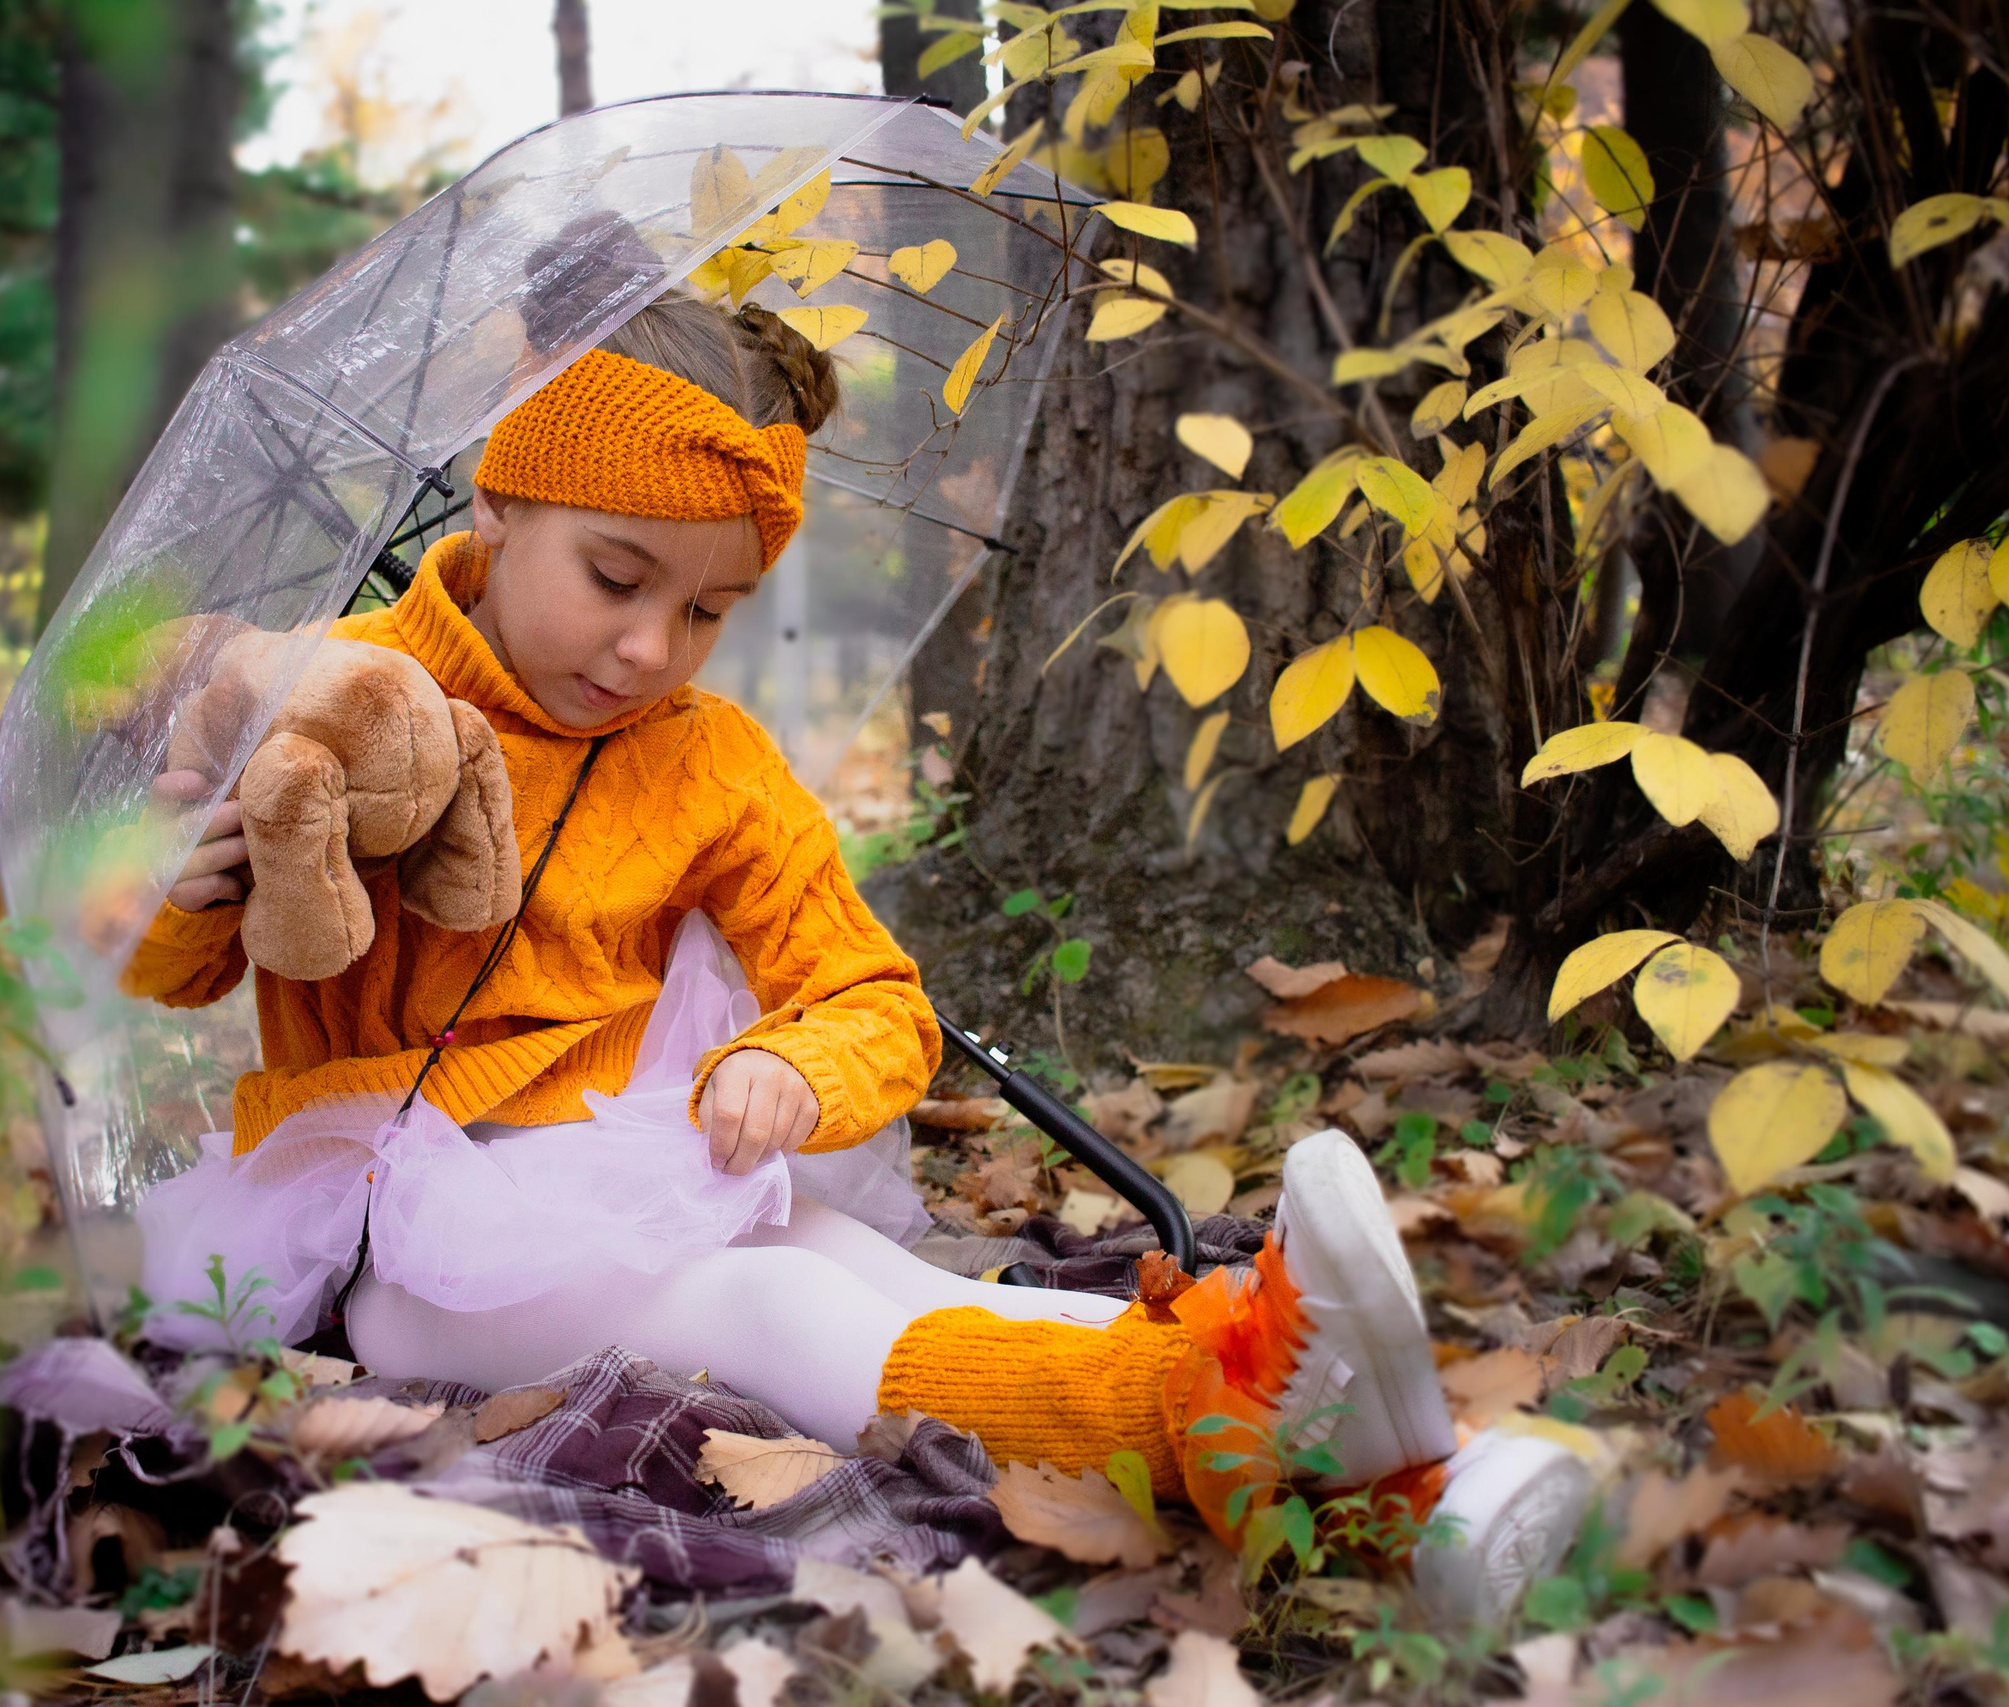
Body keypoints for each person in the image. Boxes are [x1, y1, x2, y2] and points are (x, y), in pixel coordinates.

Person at [121, 293, 1589, 1622]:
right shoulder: (345, 691)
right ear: (504, 501)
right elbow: (178, 978)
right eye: (616, 576)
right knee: (772, 1311)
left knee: (906, 1289)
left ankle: (1421, 1483)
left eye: (707, 610)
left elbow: (877, 997)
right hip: (416, 1225)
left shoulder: (712, 765)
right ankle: (1230, 1404)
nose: (648, 649)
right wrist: (207, 889)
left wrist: (788, 1058)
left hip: (632, 1163)